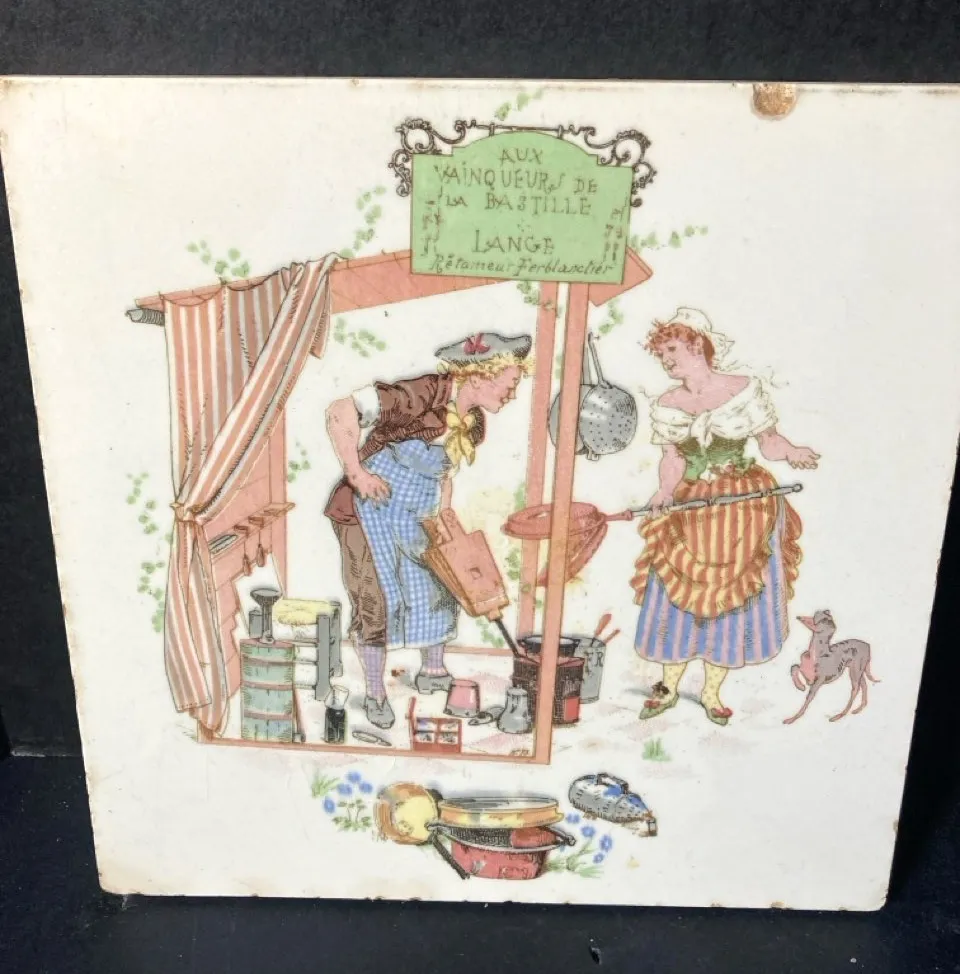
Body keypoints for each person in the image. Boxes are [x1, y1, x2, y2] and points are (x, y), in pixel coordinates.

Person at [324, 332, 532, 729]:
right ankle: (376, 693)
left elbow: (444, 472)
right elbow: (339, 411)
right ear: (479, 376)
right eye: (508, 384)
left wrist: (445, 515)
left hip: (418, 514)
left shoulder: (474, 423)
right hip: (368, 513)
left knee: (441, 585)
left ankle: (433, 672)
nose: (512, 394)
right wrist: (357, 473)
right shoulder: (423, 395)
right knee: (376, 600)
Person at [632, 308, 819, 726]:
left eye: (672, 349)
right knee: (675, 596)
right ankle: (668, 688)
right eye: (661, 355)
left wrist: (793, 452)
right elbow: (672, 458)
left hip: (742, 507)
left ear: (698, 345)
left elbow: (769, 443)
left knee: (733, 599)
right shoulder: (668, 403)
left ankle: (712, 692)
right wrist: (665, 491)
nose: (667, 361)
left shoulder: (742, 390)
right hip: (689, 508)